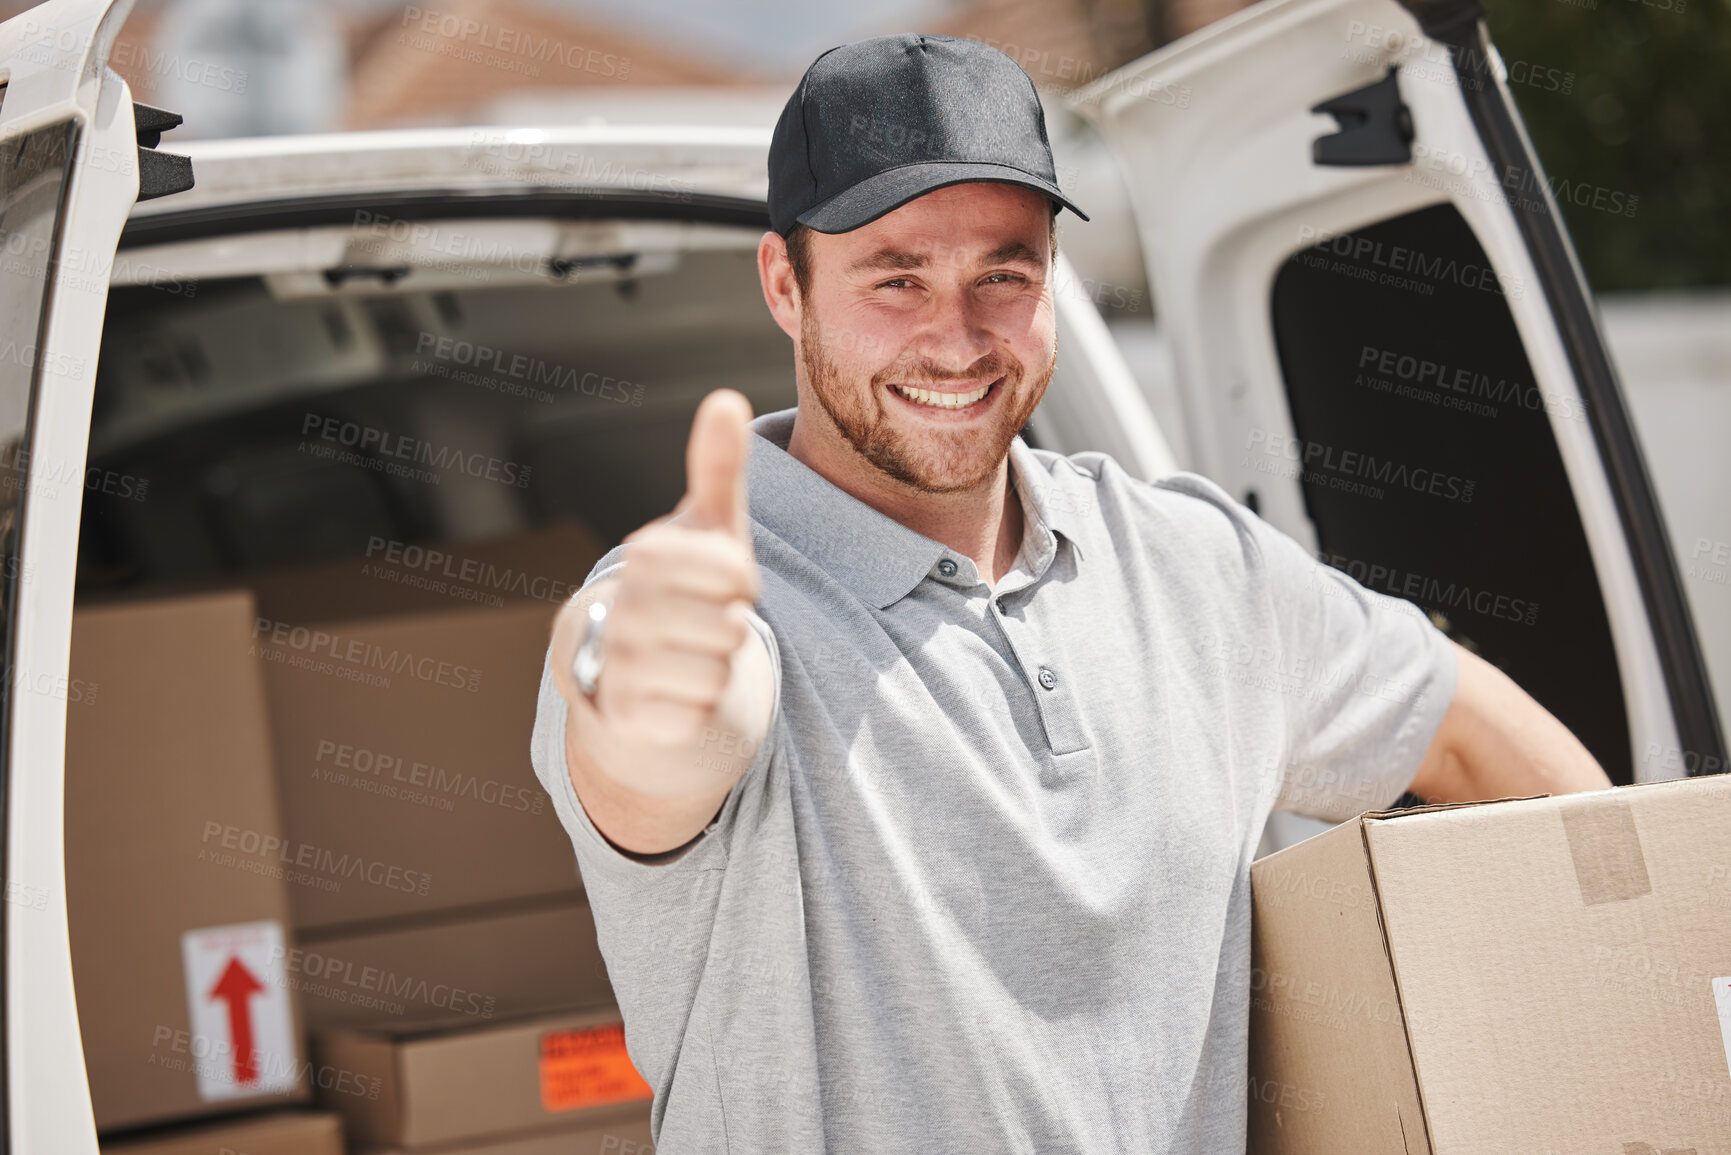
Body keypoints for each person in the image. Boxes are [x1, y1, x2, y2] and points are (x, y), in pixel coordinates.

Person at [531, 32, 1610, 1153]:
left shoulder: (1196, 569)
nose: (955, 340)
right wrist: (641, 679)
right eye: (895, 277)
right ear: (784, 286)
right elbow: (654, 745)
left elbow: (1491, 750)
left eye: (1004, 272)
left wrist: (1649, 985)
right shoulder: (722, 620)